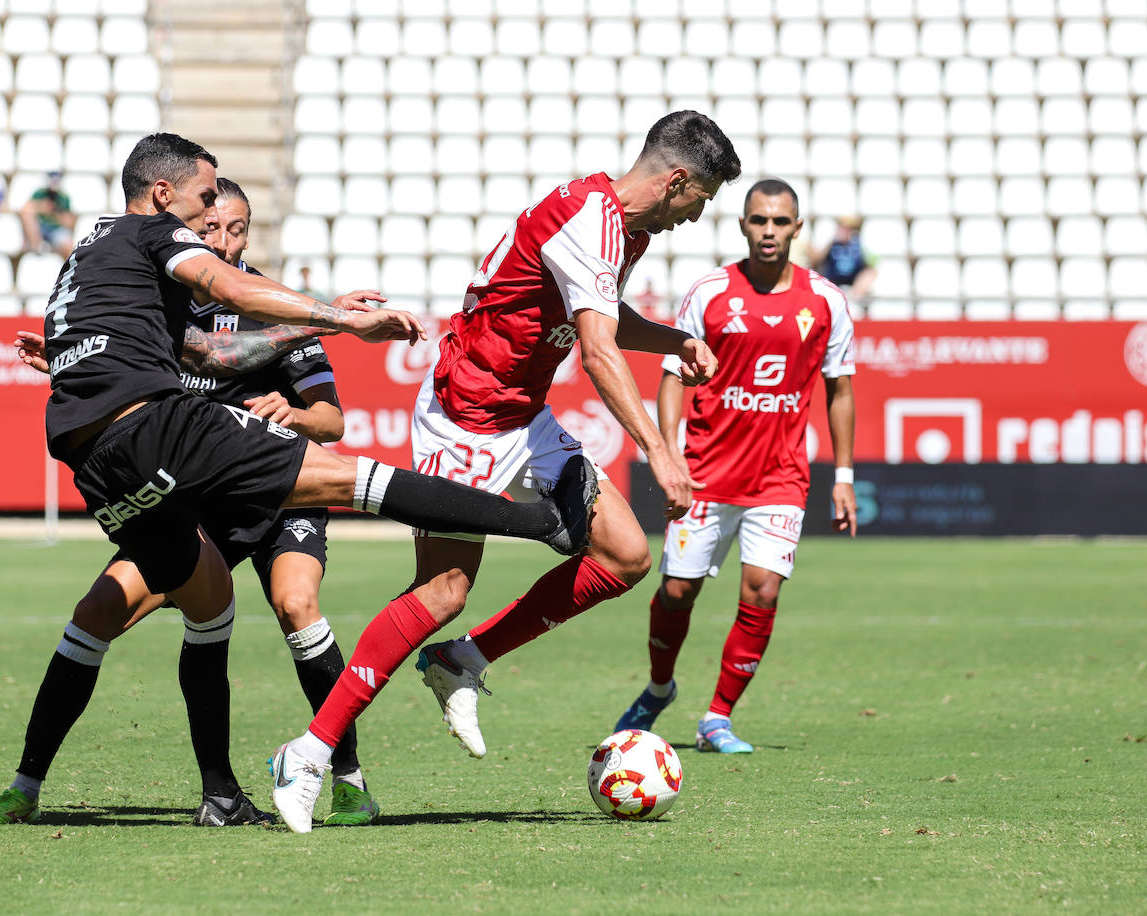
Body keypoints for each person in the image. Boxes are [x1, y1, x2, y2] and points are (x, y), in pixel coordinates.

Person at [0, 133, 594, 829]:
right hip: (182, 454)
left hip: (112, 460)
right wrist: (344, 317)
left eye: (231, 221)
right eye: (207, 205)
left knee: (249, 603)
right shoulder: (168, 250)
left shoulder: (99, 251)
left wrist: (309, 346)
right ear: (168, 198)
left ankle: (258, 790)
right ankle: (546, 524)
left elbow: (261, 371)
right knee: (359, 484)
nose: (215, 226)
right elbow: (218, 317)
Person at [267, 110, 741, 833]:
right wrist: (660, 449)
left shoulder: (627, 228)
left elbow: (605, 322)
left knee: (626, 555)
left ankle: (463, 661)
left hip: (521, 417)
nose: (695, 218)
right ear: (676, 180)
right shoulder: (590, 219)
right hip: (464, 416)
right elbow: (597, 352)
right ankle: (308, 752)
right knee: (443, 590)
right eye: (700, 201)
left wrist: (675, 337)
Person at [0, 177, 380, 828]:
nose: (223, 240)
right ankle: (25, 787)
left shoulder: (273, 306)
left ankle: (350, 780)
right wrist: (64, 360)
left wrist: (293, 417)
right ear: (191, 227)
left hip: (278, 490)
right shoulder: (160, 302)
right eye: (212, 228)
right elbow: (132, 377)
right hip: (201, 498)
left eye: (237, 229)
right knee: (96, 611)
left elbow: (332, 421)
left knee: (296, 603)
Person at [612, 178, 858, 754]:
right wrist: (667, 451)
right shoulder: (711, 292)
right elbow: (673, 373)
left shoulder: (825, 301)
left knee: (763, 590)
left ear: (797, 228)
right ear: (743, 225)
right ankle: (657, 689)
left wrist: (844, 477)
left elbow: (840, 390)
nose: (768, 231)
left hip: (780, 478)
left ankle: (717, 717)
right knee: (676, 592)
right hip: (707, 472)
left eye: (780, 222)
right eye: (758, 221)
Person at [810, 215, 876, 301]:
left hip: (853, 280)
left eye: (849, 229)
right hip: (833, 279)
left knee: (869, 274)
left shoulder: (857, 245)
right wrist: (831, 243)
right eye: (843, 228)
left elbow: (869, 266)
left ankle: (855, 297)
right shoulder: (832, 244)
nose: (846, 231)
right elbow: (817, 260)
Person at [20, 170, 76, 257]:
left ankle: (68, 268)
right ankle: (37, 246)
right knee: (28, 216)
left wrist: (56, 213)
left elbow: (69, 223)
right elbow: (25, 210)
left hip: (56, 230)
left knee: (68, 244)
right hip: (39, 229)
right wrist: (41, 207)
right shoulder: (39, 193)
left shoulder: (64, 197)